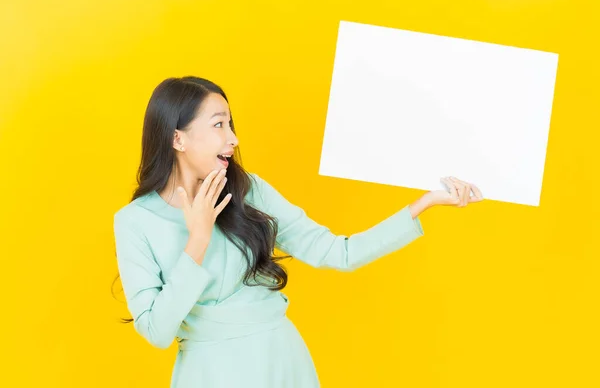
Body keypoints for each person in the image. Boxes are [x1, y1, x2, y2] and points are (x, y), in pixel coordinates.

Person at [113, 76, 483, 388]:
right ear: (178, 139)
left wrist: (425, 204)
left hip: (283, 364)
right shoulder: (135, 222)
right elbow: (157, 331)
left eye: (231, 124)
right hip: (210, 374)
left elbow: (339, 253)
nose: (233, 138)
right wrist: (198, 239)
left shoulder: (248, 190)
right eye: (218, 124)